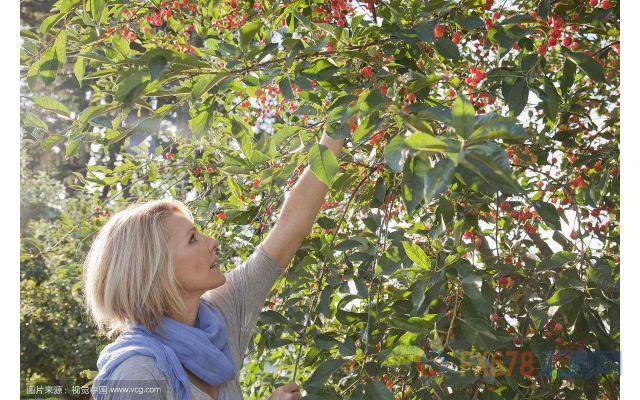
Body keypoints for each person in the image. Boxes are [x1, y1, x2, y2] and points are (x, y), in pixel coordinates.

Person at [82, 133, 345, 400]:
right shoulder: (136, 376)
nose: (213, 242)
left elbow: (290, 227)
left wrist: (337, 128)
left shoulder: (217, 320)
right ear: (157, 270)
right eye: (193, 239)